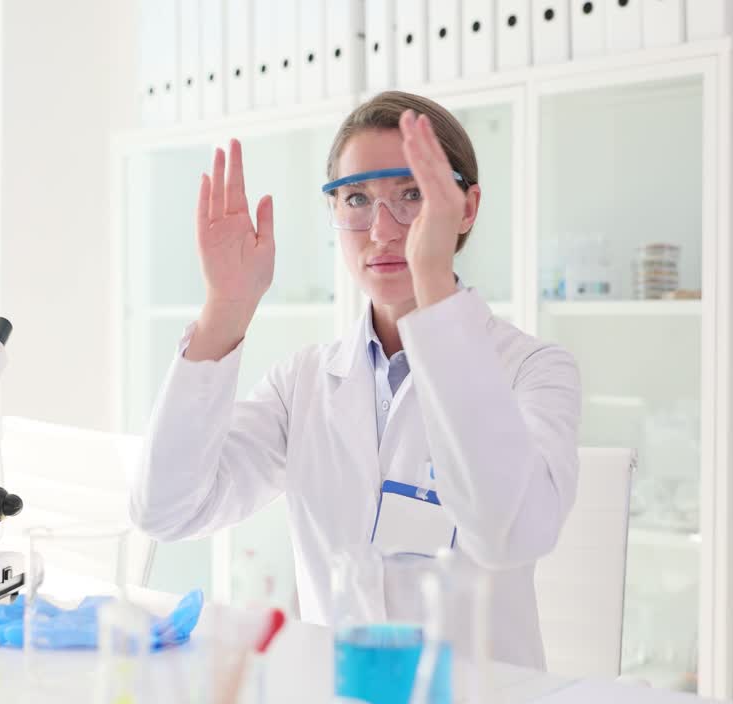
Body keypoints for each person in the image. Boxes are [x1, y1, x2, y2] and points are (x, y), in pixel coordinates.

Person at [131, 91, 580, 669]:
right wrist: (226, 308)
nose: (383, 230)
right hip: (344, 700)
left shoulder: (534, 369)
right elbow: (167, 511)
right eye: (357, 199)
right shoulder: (304, 383)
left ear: (466, 208)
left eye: (412, 195)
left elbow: (509, 534)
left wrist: (435, 286)